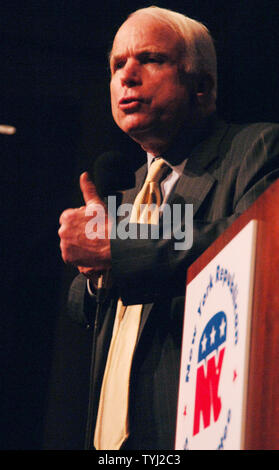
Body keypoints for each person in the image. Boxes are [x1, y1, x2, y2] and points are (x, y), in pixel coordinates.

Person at [58, 6, 279, 450]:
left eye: (151, 59)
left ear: (202, 85)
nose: (128, 75)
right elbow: (84, 310)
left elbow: (251, 240)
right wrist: (93, 275)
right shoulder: (126, 194)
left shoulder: (254, 149)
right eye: (117, 64)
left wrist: (115, 249)